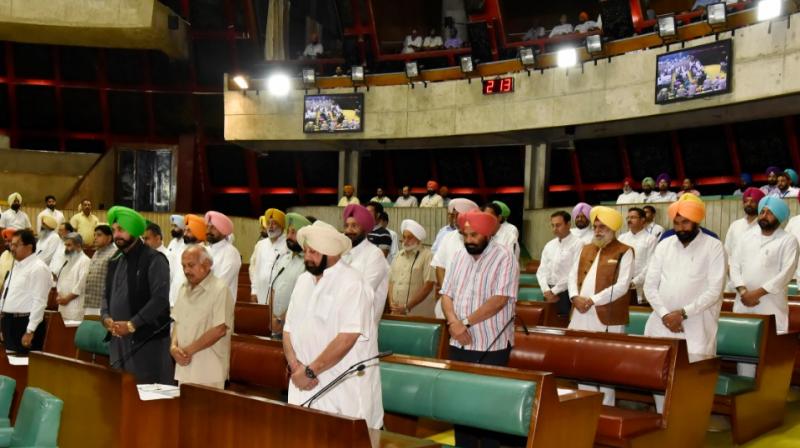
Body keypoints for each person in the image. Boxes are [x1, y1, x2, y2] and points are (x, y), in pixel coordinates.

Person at [283, 220, 383, 429]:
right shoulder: (303, 281)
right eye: (306, 251)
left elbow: (347, 338)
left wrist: (310, 371)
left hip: (342, 390)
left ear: (332, 253)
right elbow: (288, 329)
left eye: (314, 252)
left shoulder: (353, 283)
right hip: (302, 384)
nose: (308, 257)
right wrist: (295, 367)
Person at [441, 209, 518, 447]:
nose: (469, 240)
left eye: (474, 235)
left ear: (487, 234)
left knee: (488, 409)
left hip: (491, 344)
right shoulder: (458, 256)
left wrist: (464, 323)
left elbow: (500, 299)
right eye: (466, 235)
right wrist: (453, 322)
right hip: (458, 341)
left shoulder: (505, 256)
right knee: (460, 406)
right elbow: (446, 294)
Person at [643, 197, 725, 412]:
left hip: (697, 323)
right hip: (662, 322)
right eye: (677, 223)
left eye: (686, 223)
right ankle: (663, 418)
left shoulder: (713, 246)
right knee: (659, 374)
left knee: (694, 378)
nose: (681, 228)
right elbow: (650, 286)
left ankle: (691, 424)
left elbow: (715, 290)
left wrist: (683, 313)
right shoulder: (664, 245)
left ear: (697, 221)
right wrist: (665, 314)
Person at [568, 207, 633, 406]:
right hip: (580, 313)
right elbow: (572, 275)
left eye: (602, 227)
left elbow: (622, 286)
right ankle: (584, 405)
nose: (597, 230)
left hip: (607, 316)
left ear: (613, 229)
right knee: (581, 362)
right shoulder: (585, 248)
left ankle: (606, 409)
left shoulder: (625, 250)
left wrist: (593, 300)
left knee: (606, 365)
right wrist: (574, 296)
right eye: (595, 226)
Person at [102, 206, 173, 384]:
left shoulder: (154, 259)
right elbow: (106, 295)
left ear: (134, 230)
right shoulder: (114, 260)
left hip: (145, 341)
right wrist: (105, 317)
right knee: (120, 396)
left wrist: (132, 324)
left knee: (146, 396)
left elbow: (160, 300)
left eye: (121, 230)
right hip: (118, 340)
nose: (116, 235)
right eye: (114, 230)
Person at [730, 196, 798, 378]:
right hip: (743, 303)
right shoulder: (746, 237)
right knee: (744, 352)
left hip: (771, 306)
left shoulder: (788, 240)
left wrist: (757, 293)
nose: (764, 215)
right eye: (762, 211)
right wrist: (743, 291)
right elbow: (734, 265)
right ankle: (745, 398)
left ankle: (768, 399)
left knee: (770, 354)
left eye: (769, 213)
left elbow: (786, 273)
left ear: (780, 217)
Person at [170, 245, 234, 389]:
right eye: (183, 266)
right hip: (184, 367)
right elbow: (177, 322)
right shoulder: (183, 288)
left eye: (191, 265)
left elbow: (219, 330)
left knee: (208, 412)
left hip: (208, 371)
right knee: (184, 411)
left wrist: (186, 352)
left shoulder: (220, 289)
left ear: (206, 265)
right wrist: (173, 347)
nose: (186, 271)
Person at [0, 229, 50, 353]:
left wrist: (30, 331)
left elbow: (39, 301)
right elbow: (6, 295)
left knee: (24, 367)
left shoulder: (38, 268)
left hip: (24, 323)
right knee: (10, 367)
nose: (12, 248)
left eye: (16, 245)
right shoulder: (16, 266)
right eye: (11, 244)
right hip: (9, 322)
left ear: (29, 247)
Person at [431, 198, 480, 318]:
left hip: (473, 302)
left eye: (458, 215)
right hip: (448, 300)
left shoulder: (480, 239)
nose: (455, 219)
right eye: (453, 215)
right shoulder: (448, 237)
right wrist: (446, 293)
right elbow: (440, 266)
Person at [341, 205, 389, 323]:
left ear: (365, 228)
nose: (348, 230)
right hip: (340, 322)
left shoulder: (375, 254)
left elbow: (363, 292)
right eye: (346, 226)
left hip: (363, 328)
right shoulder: (342, 254)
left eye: (354, 226)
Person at [270, 213, 311, 337]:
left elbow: (302, 299)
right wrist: (271, 318)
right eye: (288, 232)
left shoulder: (308, 264)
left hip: (294, 327)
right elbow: (273, 290)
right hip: (275, 325)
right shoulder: (283, 259)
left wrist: (280, 320)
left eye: (293, 233)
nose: (289, 236)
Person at [537, 211, 583, 317]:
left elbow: (574, 272)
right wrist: (546, 290)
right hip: (547, 291)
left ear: (568, 224)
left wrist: (554, 291)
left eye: (558, 225)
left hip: (566, 292)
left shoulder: (578, 244)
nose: (554, 229)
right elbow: (541, 271)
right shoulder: (549, 245)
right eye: (552, 225)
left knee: (563, 325)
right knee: (545, 324)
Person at [388, 219, 436, 317]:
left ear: (418, 239)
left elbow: (428, 285)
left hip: (418, 314)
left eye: (410, 238)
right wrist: (391, 304)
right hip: (397, 313)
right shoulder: (398, 256)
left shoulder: (427, 255)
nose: (405, 241)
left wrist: (407, 306)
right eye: (404, 237)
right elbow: (391, 282)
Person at [618, 207, 658, 303]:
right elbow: (617, 261)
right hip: (621, 284)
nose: (629, 220)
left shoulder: (650, 239)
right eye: (628, 218)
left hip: (642, 286)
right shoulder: (622, 238)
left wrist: (634, 282)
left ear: (642, 220)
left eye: (633, 217)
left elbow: (651, 265)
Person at [250, 208, 289, 305]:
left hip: (279, 294)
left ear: (282, 226)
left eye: (274, 223)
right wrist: (254, 291)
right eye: (268, 223)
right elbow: (255, 270)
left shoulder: (288, 245)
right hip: (261, 291)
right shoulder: (260, 245)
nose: (270, 226)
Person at [169, 214, 206, 307]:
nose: (185, 234)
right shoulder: (183, 248)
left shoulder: (204, 252)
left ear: (198, 232)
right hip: (175, 300)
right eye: (185, 230)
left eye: (189, 231)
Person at [204, 211, 241, 302]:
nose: (208, 231)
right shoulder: (206, 250)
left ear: (223, 230)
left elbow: (221, 283)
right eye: (207, 227)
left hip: (221, 306)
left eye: (213, 228)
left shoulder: (231, 253)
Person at [81, 224, 116, 316]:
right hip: (90, 302)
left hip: (103, 305)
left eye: (99, 235)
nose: (95, 238)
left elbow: (114, 282)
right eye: (95, 235)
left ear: (109, 238)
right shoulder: (96, 252)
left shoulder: (114, 254)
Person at [725, 188, 765, 268]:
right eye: (746, 201)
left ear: (761, 204)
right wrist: (729, 269)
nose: (748, 204)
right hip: (733, 274)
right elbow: (727, 251)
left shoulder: (765, 226)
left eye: (752, 201)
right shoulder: (735, 225)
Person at [55, 233, 90, 322]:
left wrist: (66, 299)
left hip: (75, 307)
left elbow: (80, 285)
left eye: (69, 245)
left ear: (78, 245)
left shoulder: (85, 261)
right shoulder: (67, 260)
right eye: (65, 245)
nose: (66, 248)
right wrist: (59, 295)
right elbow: (60, 280)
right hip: (62, 305)